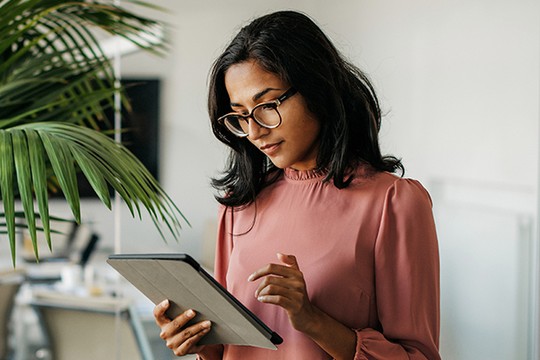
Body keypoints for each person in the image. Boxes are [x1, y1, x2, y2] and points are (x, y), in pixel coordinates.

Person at [154, 10, 440, 360]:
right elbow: (233, 350)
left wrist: (311, 319)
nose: (255, 131)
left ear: (317, 88)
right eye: (241, 115)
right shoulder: (239, 206)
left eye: (267, 105)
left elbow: (418, 356)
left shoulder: (392, 203)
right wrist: (200, 342)